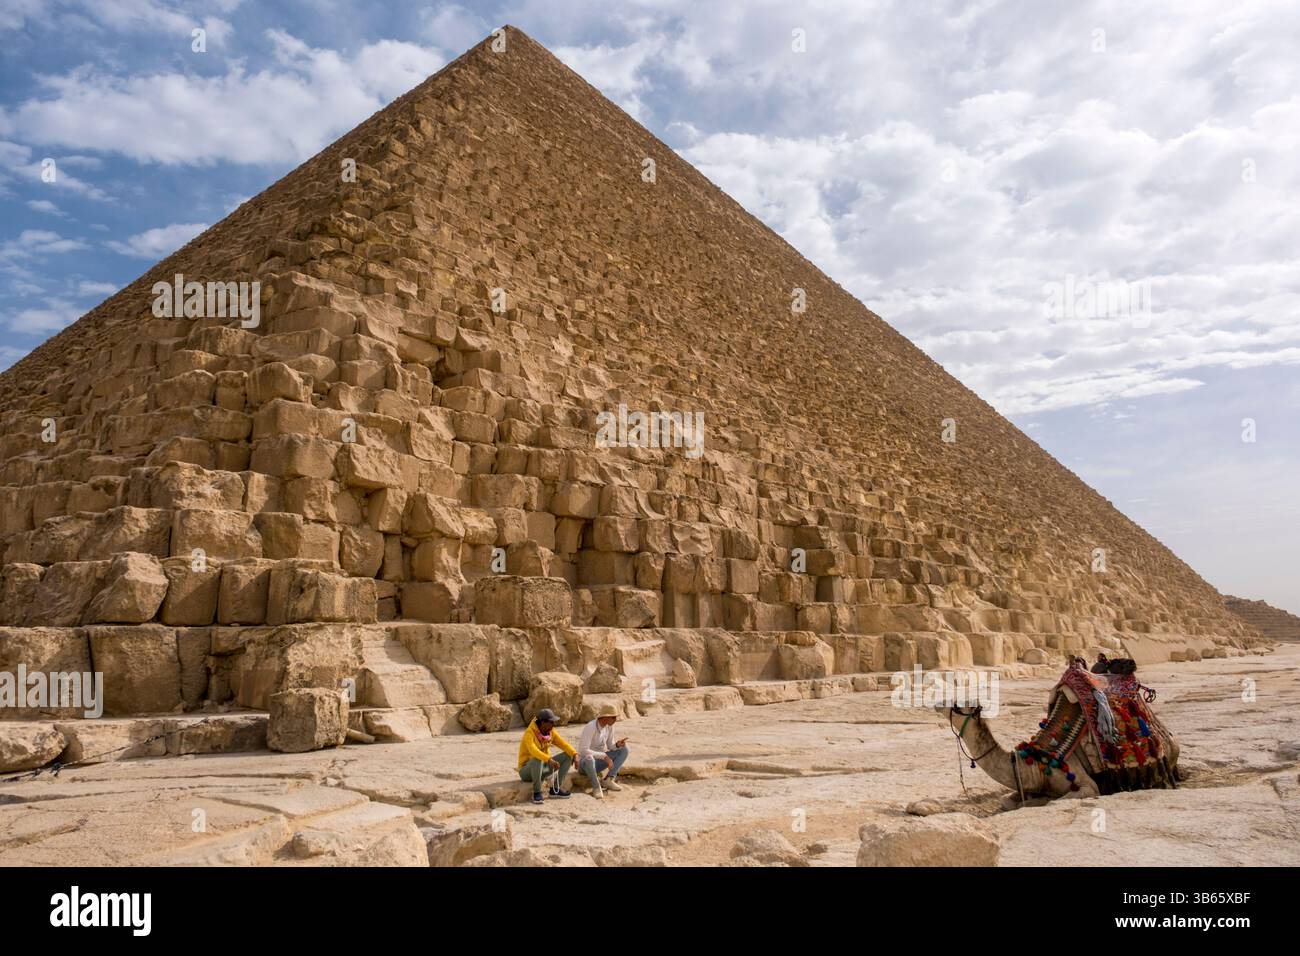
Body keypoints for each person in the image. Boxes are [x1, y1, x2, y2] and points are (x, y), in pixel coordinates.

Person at [517, 708, 577, 804]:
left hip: (543, 767)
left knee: (568, 756)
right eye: (551, 722)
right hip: (526, 771)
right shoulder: (529, 733)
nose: (553, 724)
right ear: (543, 722)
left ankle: (555, 789)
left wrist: (575, 754)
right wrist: (549, 760)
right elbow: (533, 751)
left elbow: (563, 744)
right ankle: (537, 792)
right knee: (537, 759)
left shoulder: (551, 731)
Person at [577, 703, 629, 799]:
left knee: (624, 750)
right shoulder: (591, 726)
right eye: (613, 718)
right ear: (605, 717)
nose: (615, 720)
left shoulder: (609, 726)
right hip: (585, 764)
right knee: (589, 758)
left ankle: (608, 780)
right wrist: (604, 757)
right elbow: (583, 750)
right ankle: (596, 787)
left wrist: (617, 745)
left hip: (598, 762)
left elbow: (610, 746)